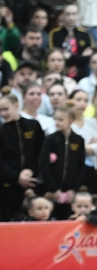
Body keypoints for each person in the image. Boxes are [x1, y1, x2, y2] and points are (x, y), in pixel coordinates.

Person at [0, 87, 45, 221]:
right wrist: (16, 177)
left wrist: (31, 171)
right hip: (9, 186)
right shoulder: (1, 131)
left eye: (6, 109)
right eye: (0, 111)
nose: (3, 113)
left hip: (32, 182)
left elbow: (41, 153)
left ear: (16, 105)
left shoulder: (33, 125)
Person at [39, 102, 86, 220]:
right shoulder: (50, 139)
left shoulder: (78, 140)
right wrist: (54, 189)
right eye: (56, 119)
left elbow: (81, 166)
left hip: (70, 192)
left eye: (61, 120)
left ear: (70, 120)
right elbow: (44, 165)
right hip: (52, 191)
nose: (57, 122)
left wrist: (73, 189)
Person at [69, 89, 97, 193]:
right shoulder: (66, 124)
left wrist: (79, 147)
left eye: (85, 100)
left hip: (91, 169)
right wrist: (88, 145)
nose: (82, 104)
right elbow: (68, 149)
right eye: (78, 100)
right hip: (73, 170)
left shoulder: (92, 122)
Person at [48, 4, 94, 80]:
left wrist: (70, 57)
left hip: (82, 74)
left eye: (74, 14)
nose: (71, 17)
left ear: (78, 16)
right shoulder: (55, 34)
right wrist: (80, 57)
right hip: (61, 73)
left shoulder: (85, 34)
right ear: (62, 16)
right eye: (68, 14)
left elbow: (89, 58)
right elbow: (55, 55)